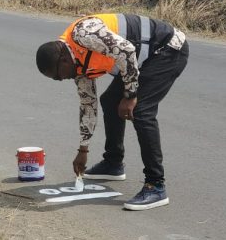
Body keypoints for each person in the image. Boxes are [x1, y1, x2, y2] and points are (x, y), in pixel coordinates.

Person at [35, 13, 189, 210]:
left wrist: (131, 95)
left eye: (58, 76)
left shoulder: (84, 34)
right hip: (142, 58)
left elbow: (126, 50)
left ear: (64, 60)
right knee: (109, 101)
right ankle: (113, 163)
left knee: (141, 111)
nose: (61, 80)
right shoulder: (77, 66)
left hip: (167, 48)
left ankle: (155, 185)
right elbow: (88, 107)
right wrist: (83, 150)